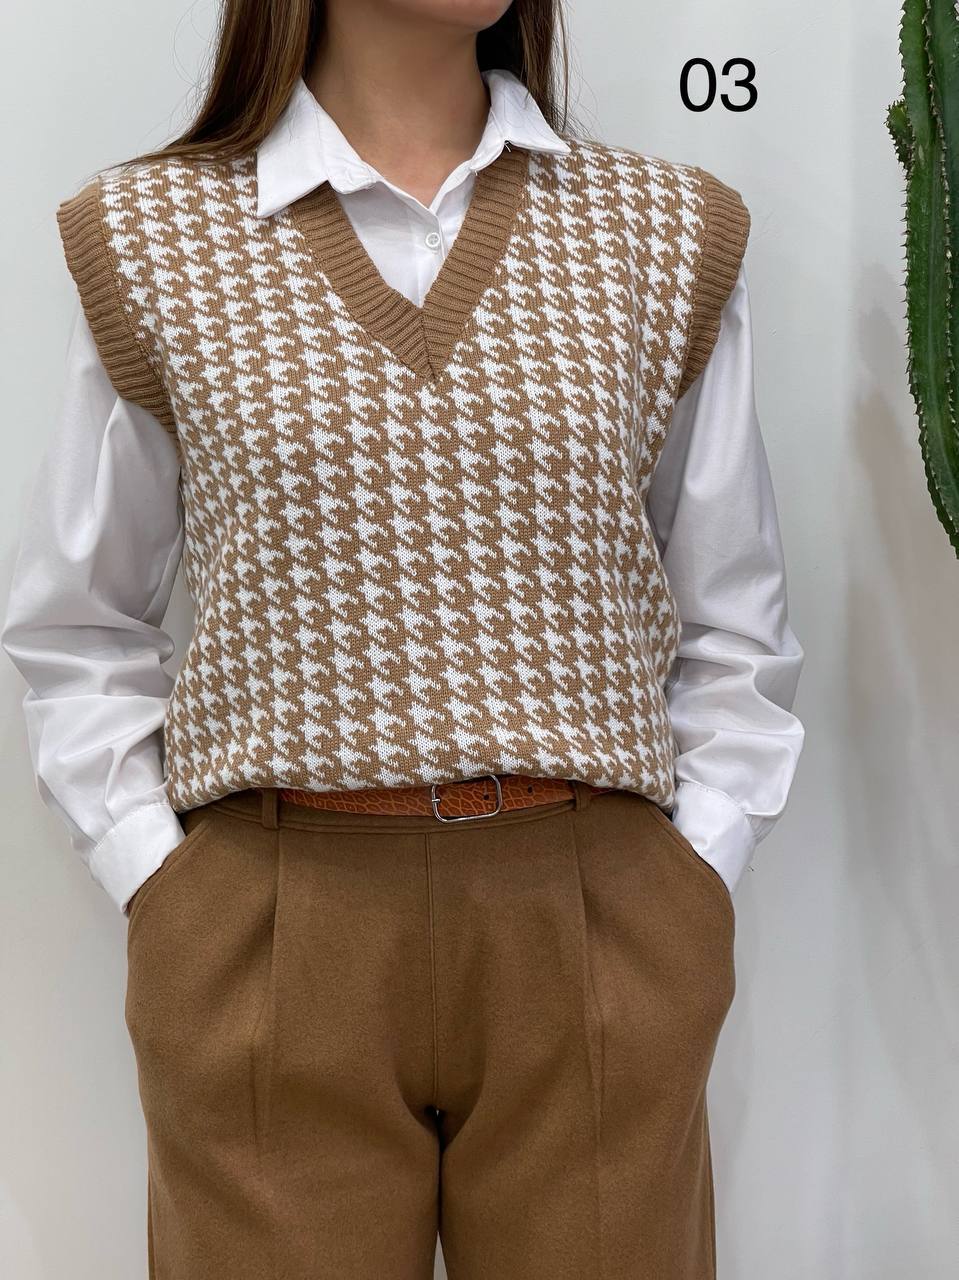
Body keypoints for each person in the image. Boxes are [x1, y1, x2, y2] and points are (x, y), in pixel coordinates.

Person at [1, 1, 805, 1276]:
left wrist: (681, 885)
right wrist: (171, 891)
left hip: (590, 918)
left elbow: (733, 621)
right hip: (273, 926)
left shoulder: (655, 229)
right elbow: (78, 624)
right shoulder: (157, 236)